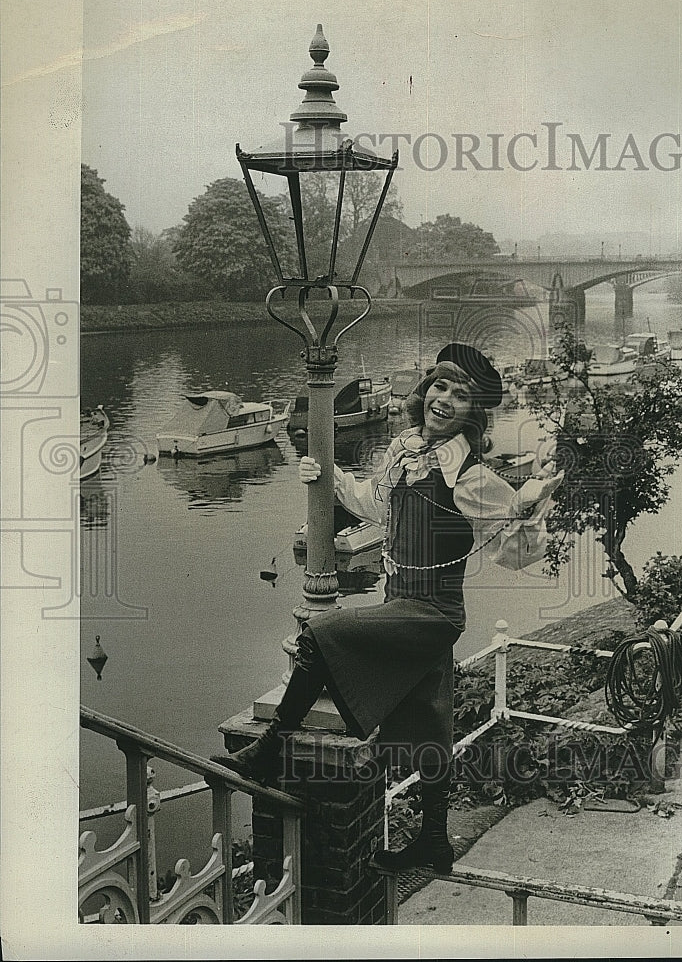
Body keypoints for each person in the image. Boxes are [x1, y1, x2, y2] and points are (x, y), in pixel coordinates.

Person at [212, 343, 563, 874]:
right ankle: (434, 842)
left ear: (474, 414)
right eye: (439, 386)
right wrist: (325, 475)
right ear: (425, 392)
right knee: (430, 725)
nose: (444, 400)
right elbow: (376, 502)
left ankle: (267, 747)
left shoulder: (470, 476)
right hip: (398, 600)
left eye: (460, 395)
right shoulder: (404, 447)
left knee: (320, 633)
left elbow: (515, 553)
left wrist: (531, 507)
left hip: (435, 613)